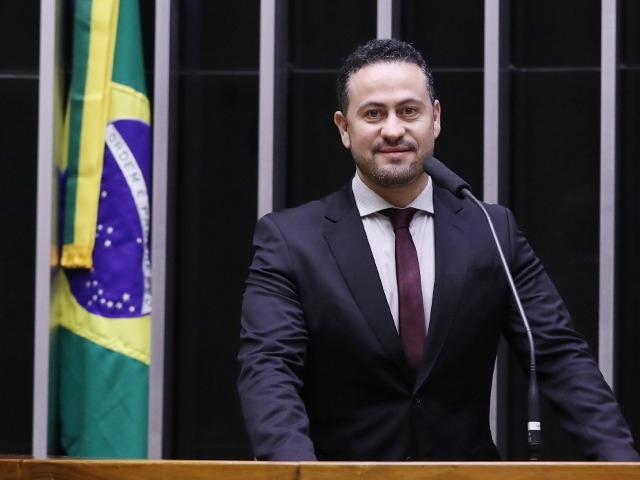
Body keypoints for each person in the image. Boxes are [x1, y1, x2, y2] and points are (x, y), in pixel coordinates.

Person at [237, 38, 639, 461]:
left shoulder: (491, 229)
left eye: (409, 111)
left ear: (436, 118)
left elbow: (560, 357)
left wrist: (622, 467)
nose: (393, 130)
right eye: (373, 114)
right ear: (344, 128)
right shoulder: (291, 240)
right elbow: (269, 369)